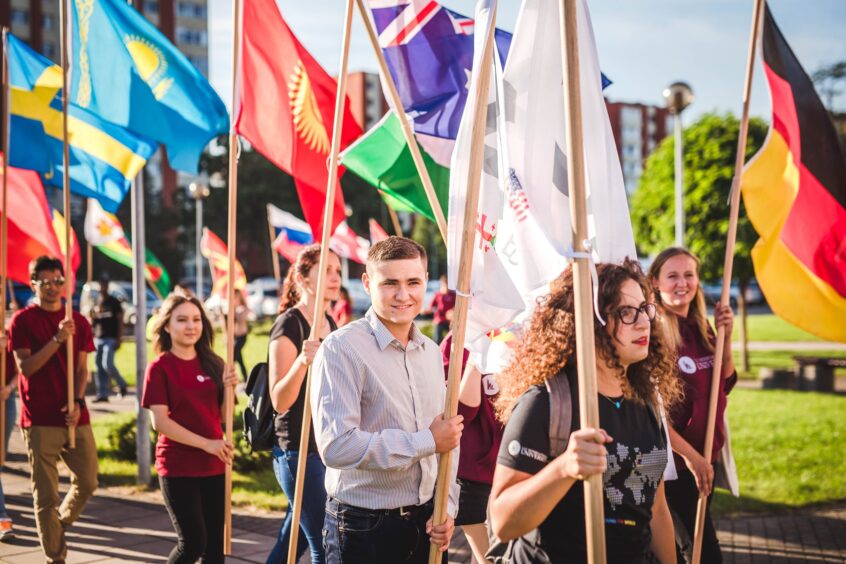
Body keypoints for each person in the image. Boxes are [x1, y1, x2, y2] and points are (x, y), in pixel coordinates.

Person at [489, 259, 681, 564]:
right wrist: (564, 468)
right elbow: (502, 522)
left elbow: (656, 511)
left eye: (644, 309)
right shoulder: (547, 402)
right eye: (626, 313)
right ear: (589, 324)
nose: (644, 322)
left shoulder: (646, 405)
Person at [311, 236, 462, 564]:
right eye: (390, 282)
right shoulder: (341, 349)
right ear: (367, 283)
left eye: (413, 282)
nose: (403, 295)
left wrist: (447, 507)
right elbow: (337, 447)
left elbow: (448, 437)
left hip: (427, 521)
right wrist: (425, 442)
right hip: (364, 528)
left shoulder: (432, 353)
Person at [649, 247, 737, 563]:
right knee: (700, 553)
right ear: (656, 283)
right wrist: (692, 458)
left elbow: (724, 382)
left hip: (706, 459)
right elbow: (652, 414)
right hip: (678, 466)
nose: (682, 283)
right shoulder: (653, 335)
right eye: (672, 276)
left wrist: (725, 338)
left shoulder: (702, 326)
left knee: (689, 552)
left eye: (689, 274)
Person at [9, 256, 98, 563]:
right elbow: (27, 368)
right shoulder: (22, 321)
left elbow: (83, 370)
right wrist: (57, 339)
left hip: (74, 414)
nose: (53, 288)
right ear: (34, 284)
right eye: (45, 282)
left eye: (58, 281)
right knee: (47, 495)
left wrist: (77, 402)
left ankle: (55, 526)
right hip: (39, 418)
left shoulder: (79, 321)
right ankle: (55, 556)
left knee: (88, 481)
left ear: (65, 282)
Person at [142, 292, 237, 564]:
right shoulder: (160, 368)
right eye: (182, 319)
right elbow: (159, 422)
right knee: (193, 543)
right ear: (167, 325)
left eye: (196, 319)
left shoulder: (214, 363)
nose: (190, 326)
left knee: (215, 551)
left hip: (214, 464)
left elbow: (223, 417)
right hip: (178, 466)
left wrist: (229, 389)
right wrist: (207, 443)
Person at [265, 245, 341, 564]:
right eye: (326, 270)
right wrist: (301, 361)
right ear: (302, 277)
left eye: (338, 271)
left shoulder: (331, 323)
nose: (336, 278)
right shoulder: (289, 325)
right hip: (297, 450)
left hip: (325, 447)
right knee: (326, 543)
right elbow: (279, 400)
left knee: (291, 543)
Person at [440, 333, 504, 564]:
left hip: (513, 468)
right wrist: (475, 360)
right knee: (489, 560)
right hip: (472, 472)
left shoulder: (520, 334)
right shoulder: (457, 342)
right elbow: (460, 414)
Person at [89, 278, 128, 402]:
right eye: (100, 286)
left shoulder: (114, 302)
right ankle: (102, 394)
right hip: (98, 337)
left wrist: (119, 338)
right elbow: (93, 321)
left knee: (107, 364)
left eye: (104, 286)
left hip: (110, 337)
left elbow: (120, 320)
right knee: (98, 366)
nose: (102, 288)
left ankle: (122, 384)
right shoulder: (96, 301)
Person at [0, 331, 19, 541]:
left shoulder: (8, 334)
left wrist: (9, 388)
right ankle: (2, 516)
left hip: (6, 398)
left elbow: (20, 369)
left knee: (1, 459)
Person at [427, 275, 455, 344]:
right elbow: (432, 307)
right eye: (444, 283)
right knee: (438, 334)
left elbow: (456, 307)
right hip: (440, 320)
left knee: (452, 337)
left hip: (450, 321)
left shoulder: (453, 295)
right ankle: (437, 348)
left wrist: (453, 312)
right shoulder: (438, 295)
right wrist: (427, 311)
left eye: (447, 283)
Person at [232, 288, 250, 381]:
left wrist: (233, 310)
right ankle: (246, 376)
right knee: (239, 358)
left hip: (242, 336)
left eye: (236, 295)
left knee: (233, 356)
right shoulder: (233, 308)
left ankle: (230, 374)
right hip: (234, 336)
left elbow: (240, 319)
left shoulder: (244, 308)